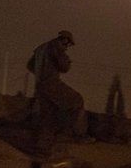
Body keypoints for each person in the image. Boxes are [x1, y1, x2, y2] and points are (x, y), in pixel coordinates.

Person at [27, 30, 92, 158]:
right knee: (77, 100)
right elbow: (64, 67)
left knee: (48, 117)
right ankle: (79, 135)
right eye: (68, 44)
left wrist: (42, 72)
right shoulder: (56, 46)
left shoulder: (41, 48)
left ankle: (42, 150)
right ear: (65, 40)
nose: (68, 47)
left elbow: (30, 66)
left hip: (40, 86)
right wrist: (66, 60)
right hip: (52, 84)